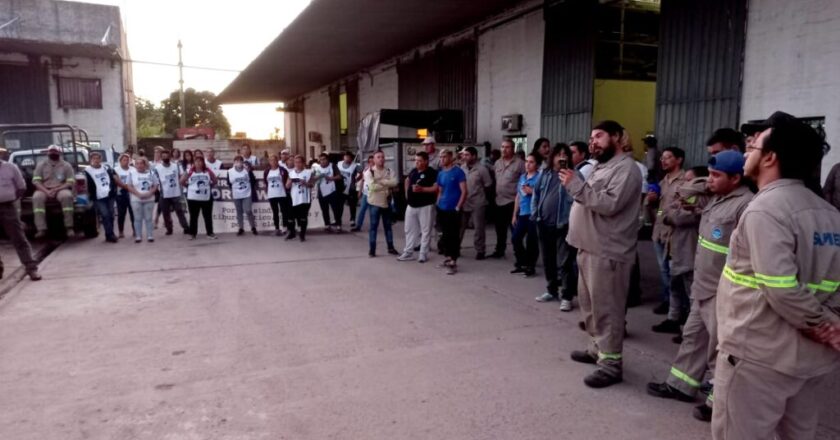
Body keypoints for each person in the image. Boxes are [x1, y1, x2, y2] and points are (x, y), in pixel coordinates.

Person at [712, 111, 840, 440]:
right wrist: (831, 325)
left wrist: (826, 328)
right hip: (810, 363)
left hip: (759, 357)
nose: (746, 151)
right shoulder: (829, 214)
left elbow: (781, 289)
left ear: (770, 157)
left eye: (753, 146)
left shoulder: (765, 210)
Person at [646, 151, 753, 422]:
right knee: (693, 339)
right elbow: (683, 190)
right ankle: (681, 384)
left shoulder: (745, 205)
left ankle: (718, 400)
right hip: (702, 285)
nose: (712, 180)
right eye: (710, 174)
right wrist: (710, 181)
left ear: (737, 178)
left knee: (720, 349)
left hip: (722, 289)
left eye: (717, 175)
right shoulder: (715, 197)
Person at [560, 120, 642, 388]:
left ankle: (611, 365)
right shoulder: (602, 167)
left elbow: (608, 204)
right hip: (588, 247)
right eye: (591, 137)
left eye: (599, 136)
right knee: (590, 307)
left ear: (617, 137)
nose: (592, 141)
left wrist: (576, 186)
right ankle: (597, 349)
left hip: (608, 251)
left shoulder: (626, 169)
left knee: (607, 310)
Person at [652, 166, 710, 335]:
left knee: (690, 289)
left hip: (686, 247)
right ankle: (673, 318)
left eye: (689, 179)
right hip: (667, 240)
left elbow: (679, 216)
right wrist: (657, 209)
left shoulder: (696, 196)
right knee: (673, 285)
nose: (685, 182)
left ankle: (691, 329)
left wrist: (667, 214)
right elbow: (664, 208)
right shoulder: (665, 183)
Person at [532, 145, 576, 311]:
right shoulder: (545, 174)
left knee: (564, 262)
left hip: (563, 224)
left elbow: (577, 197)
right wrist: (535, 214)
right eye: (558, 154)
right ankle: (551, 290)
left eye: (565, 154)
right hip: (543, 223)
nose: (562, 157)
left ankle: (567, 296)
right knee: (548, 260)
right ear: (552, 157)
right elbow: (536, 194)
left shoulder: (573, 175)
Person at [648, 146, 688, 316]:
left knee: (675, 273)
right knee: (664, 270)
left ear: (678, 160)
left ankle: (680, 307)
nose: (663, 161)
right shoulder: (663, 182)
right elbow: (660, 209)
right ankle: (668, 301)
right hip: (659, 232)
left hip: (674, 235)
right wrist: (652, 203)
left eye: (668, 157)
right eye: (662, 158)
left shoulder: (686, 181)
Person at [0, 157, 41, 280]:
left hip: (8, 207)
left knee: (19, 239)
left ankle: (31, 269)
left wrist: (10, 198)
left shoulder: (10, 167)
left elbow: (21, 187)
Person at [398, 151, 438, 263]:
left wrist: (423, 189)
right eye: (416, 160)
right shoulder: (413, 171)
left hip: (426, 205)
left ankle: (423, 254)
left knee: (425, 231)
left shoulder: (432, 173)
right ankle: (408, 252)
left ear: (426, 161)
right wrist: (407, 193)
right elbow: (407, 180)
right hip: (411, 205)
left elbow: (436, 188)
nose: (417, 163)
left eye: (419, 161)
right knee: (409, 229)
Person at [433, 150, 467, 275]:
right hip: (442, 208)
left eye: (444, 157)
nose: (442, 159)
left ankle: (453, 261)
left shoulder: (458, 172)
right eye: (440, 157)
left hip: (453, 209)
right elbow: (440, 190)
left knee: (453, 235)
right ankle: (447, 258)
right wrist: (438, 204)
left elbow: (464, 191)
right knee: (444, 235)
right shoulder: (441, 173)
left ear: (451, 157)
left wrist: (458, 206)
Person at [492, 138, 526, 259]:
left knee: (515, 231)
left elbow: (525, 180)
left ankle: (520, 256)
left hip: (513, 202)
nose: (504, 149)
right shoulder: (497, 163)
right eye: (502, 147)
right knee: (500, 229)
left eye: (507, 147)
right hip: (499, 200)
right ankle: (499, 250)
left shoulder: (520, 163)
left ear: (513, 149)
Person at [32, 144, 75, 239]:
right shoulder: (41, 165)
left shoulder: (66, 165)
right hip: (43, 189)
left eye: (55, 151)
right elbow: (36, 181)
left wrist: (57, 189)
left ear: (59, 152)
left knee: (67, 197)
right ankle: (41, 229)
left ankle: (69, 227)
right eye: (51, 151)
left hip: (61, 188)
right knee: (37, 198)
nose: (53, 153)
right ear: (48, 153)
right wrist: (46, 191)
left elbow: (70, 181)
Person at [459, 146, 493, 259]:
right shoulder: (461, 168)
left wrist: (484, 199)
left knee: (479, 228)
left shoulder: (482, 169)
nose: (464, 157)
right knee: (460, 226)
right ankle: (455, 248)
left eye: (467, 155)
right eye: (463, 155)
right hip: (464, 201)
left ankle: (480, 250)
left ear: (474, 156)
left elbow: (488, 185)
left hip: (478, 202)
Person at [511, 153, 541, 277]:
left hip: (533, 213)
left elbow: (544, 195)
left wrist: (532, 192)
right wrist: (514, 214)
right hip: (523, 212)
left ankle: (530, 266)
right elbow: (518, 195)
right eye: (526, 161)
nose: (527, 164)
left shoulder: (540, 178)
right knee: (515, 238)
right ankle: (521, 262)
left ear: (537, 165)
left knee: (531, 241)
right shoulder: (523, 177)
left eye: (531, 162)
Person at [364, 151, 399, 257]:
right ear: (374, 160)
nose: (381, 159)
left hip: (386, 202)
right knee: (373, 227)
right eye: (378, 157)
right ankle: (372, 249)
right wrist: (387, 184)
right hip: (374, 203)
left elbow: (395, 182)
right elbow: (372, 187)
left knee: (388, 226)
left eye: (383, 157)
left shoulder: (389, 171)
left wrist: (381, 182)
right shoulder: (369, 172)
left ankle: (390, 247)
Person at [84, 152, 119, 243]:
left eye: (98, 158)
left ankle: (109, 234)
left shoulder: (106, 168)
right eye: (94, 158)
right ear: (91, 160)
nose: (96, 160)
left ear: (101, 159)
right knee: (105, 214)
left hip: (109, 194)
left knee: (111, 214)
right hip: (98, 197)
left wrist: (116, 187)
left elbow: (115, 176)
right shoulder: (87, 171)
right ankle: (111, 234)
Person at [181, 156, 218, 240]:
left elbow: (215, 180)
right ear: (193, 163)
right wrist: (188, 186)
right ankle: (192, 234)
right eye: (196, 161)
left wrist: (210, 186)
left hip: (206, 197)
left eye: (200, 161)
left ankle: (210, 233)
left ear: (203, 162)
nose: (198, 163)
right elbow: (181, 181)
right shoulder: (189, 171)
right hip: (193, 198)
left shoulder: (207, 171)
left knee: (207, 216)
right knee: (193, 216)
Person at [154, 149, 189, 236]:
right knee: (165, 213)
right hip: (164, 194)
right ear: (161, 157)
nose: (165, 157)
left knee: (180, 211)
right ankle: (169, 228)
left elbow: (183, 175)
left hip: (176, 193)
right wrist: (158, 189)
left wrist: (182, 183)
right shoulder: (157, 168)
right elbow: (155, 180)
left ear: (170, 156)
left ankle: (186, 227)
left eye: (166, 155)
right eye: (163, 156)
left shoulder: (176, 166)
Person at [127, 157, 159, 243]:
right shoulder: (131, 173)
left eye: (141, 163)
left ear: (145, 164)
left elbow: (155, 185)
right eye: (137, 163)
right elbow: (129, 186)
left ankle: (150, 235)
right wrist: (138, 194)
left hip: (149, 199)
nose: (139, 165)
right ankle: (138, 236)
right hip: (136, 199)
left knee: (148, 218)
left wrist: (149, 193)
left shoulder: (151, 173)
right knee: (137, 218)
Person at [286, 155, 315, 241]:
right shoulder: (291, 173)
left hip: (304, 198)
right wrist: (289, 183)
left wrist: (305, 183)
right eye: (296, 162)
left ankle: (302, 234)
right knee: (290, 217)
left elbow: (312, 184)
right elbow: (287, 186)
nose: (297, 164)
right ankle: (292, 233)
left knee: (303, 217)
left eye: (299, 162)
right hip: (294, 198)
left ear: (303, 163)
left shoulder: (308, 172)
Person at [228, 155, 258, 236]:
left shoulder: (246, 170)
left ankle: (253, 227)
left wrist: (249, 171)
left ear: (242, 162)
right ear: (234, 162)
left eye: (240, 161)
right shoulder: (230, 171)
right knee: (239, 211)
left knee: (248, 210)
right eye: (237, 161)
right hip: (236, 194)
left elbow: (253, 181)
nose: (238, 163)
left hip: (246, 193)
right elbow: (229, 183)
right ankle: (241, 228)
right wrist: (232, 191)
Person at [315, 153, 345, 233]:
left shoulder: (333, 166)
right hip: (321, 191)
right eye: (321, 160)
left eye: (324, 159)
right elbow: (313, 178)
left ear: (327, 160)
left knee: (335, 209)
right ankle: (327, 225)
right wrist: (318, 176)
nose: (323, 161)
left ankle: (338, 225)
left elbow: (339, 176)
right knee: (324, 209)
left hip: (332, 191)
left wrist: (331, 178)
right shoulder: (317, 168)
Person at [265, 154, 291, 236]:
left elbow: (286, 180)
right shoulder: (267, 171)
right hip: (272, 194)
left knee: (284, 211)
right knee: (275, 212)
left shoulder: (282, 170)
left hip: (281, 193)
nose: (273, 162)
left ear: (277, 161)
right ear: (269, 162)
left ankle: (285, 227)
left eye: (274, 160)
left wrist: (286, 190)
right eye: (271, 160)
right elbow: (266, 182)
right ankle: (277, 228)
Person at [113, 153, 135, 239]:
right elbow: (116, 181)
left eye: (127, 160)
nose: (126, 162)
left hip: (131, 193)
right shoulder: (116, 170)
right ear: (120, 161)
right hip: (120, 194)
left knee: (133, 213)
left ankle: (135, 230)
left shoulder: (133, 169)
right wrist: (125, 186)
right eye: (124, 160)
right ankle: (121, 231)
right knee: (121, 214)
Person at [337, 152, 361, 229]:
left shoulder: (355, 166)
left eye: (349, 157)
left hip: (351, 189)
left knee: (352, 205)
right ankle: (338, 220)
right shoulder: (339, 164)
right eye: (346, 156)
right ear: (343, 157)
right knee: (339, 205)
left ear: (351, 158)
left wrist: (357, 179)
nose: (347, 158)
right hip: (340, 188)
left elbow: (362, 173)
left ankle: (352, 219)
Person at [352, 155, 374, 231]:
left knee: (372, 211)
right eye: (370, 162)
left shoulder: (376, 170)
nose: (371, 163)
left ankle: (373, 226)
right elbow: (363, 180)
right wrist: (360, 191)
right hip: (365, 193)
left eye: (372, 161)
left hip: (373, 194)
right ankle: (358, 225)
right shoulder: (366, 169)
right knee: (362, 210)